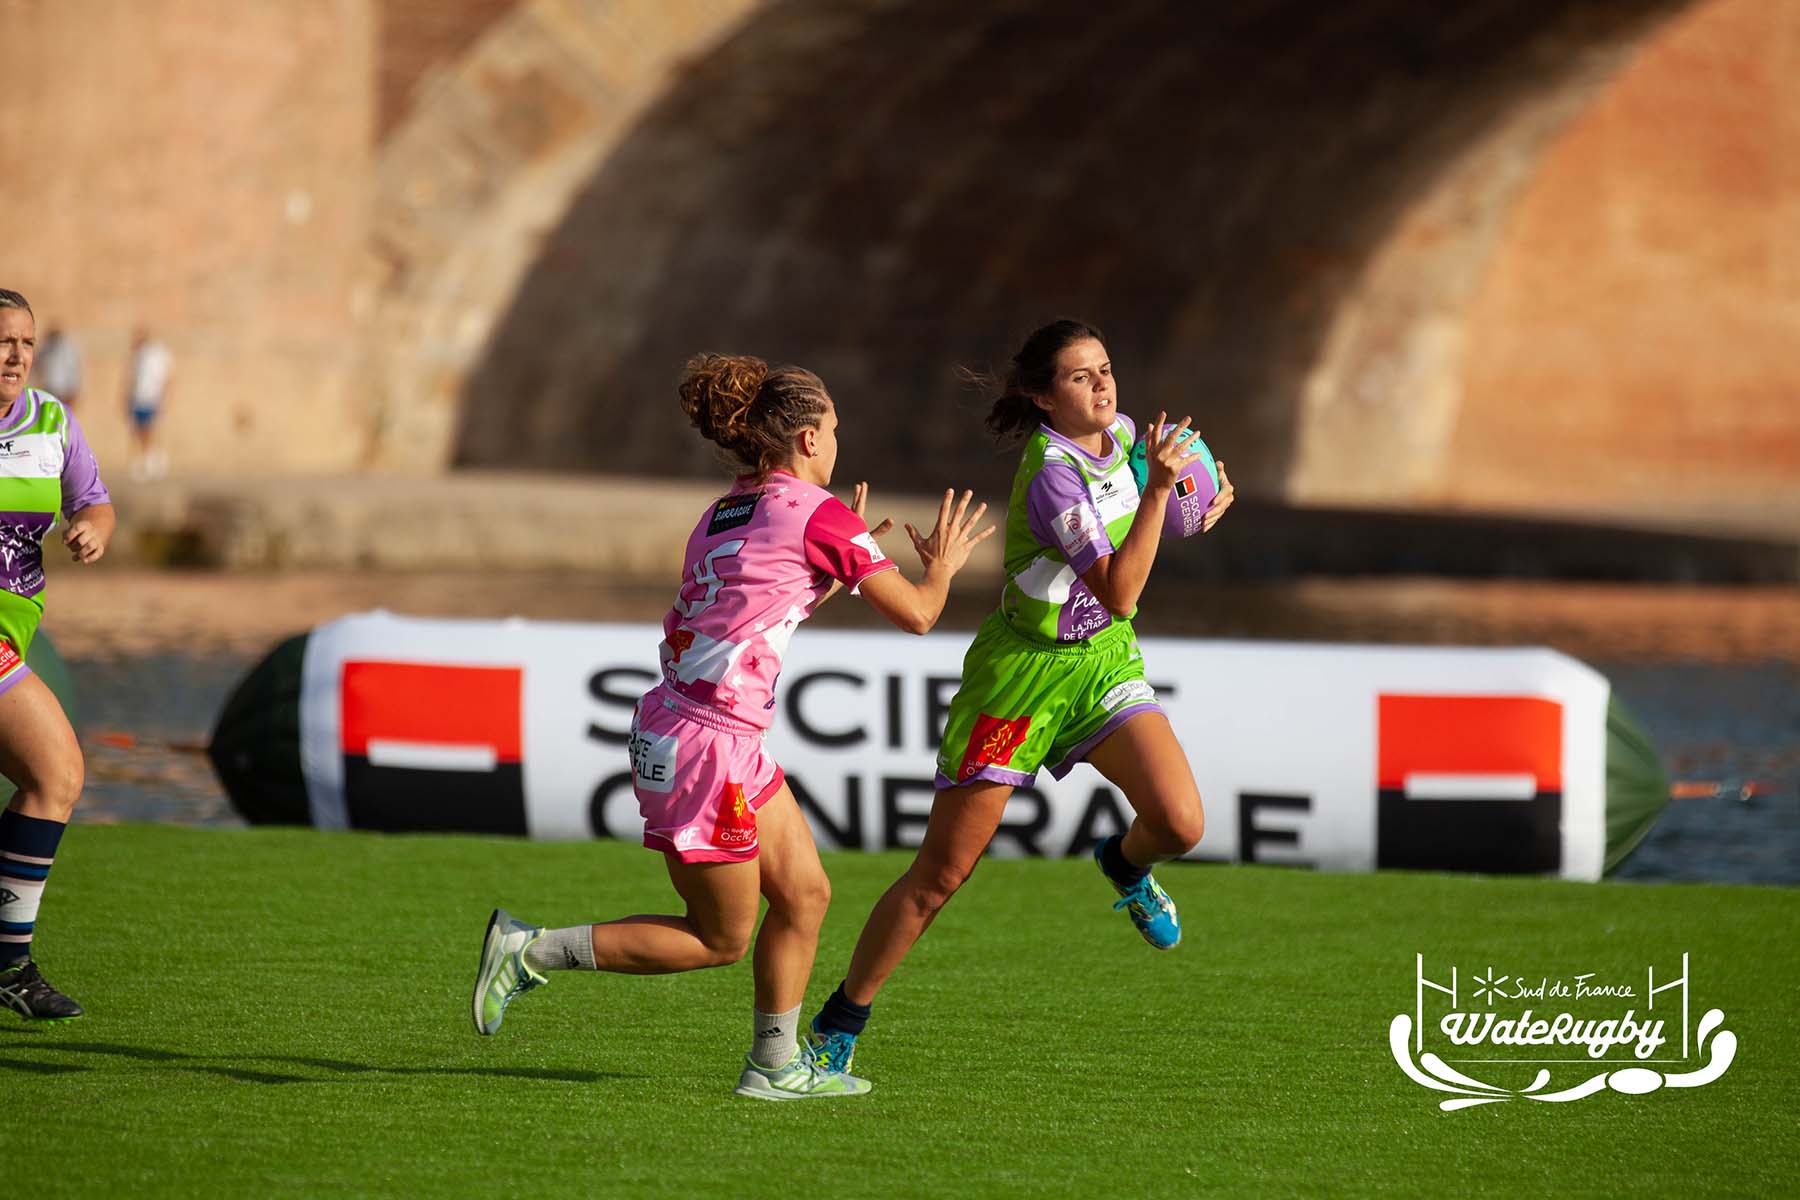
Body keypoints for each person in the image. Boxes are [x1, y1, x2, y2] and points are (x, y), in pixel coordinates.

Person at [471, 352, 993, 1099]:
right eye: (834, 429)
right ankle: (530, 951)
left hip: (703, 729)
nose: (837, 441)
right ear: (809, 439)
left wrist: (836, 562)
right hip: (707, 743)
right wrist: (940, 566)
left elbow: (751, 604)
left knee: (806, 896)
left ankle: (773, 1066)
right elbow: (918, 615)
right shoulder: (819, 514)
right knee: (718, 937)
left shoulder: (728, 509)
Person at [806, 319, 1235, 1075]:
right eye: (1080, 377)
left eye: (1106, 369)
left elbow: (1140, 540)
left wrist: (1191, 503)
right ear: (1043, 397)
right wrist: (1161, 493)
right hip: (1020, 678)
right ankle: (838, 1023)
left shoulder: (1124, 436)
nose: (1102, 386)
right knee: (941, 877)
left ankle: (1125, 866)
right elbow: (1121, 590)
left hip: (1099, 660)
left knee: (1180, 823)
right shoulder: (1052, 475)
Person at [0, 289, 115, 1022]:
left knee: (51, 782)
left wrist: (94, 529)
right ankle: (9, 965)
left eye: (26, 342)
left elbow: (94, 499)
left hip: (13, 634)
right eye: (2, 341)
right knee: (58, 771)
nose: (15, 355)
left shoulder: (51, 421)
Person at [124, 327, 172, 478]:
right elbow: (131, 379)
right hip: (138, 398)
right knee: (137, 431)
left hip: (151, 398)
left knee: (149, 431)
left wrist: (163, 399)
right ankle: (143, 461)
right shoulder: (136, 357)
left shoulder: (157, 355)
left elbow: (165, 379)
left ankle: (152, 461)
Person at [34, 324, 81, 410]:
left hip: (64, 392)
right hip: (48, 390)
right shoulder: (45, 349)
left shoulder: (68, 351)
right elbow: (37, 367)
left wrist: (73, 393)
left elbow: (74, 372)